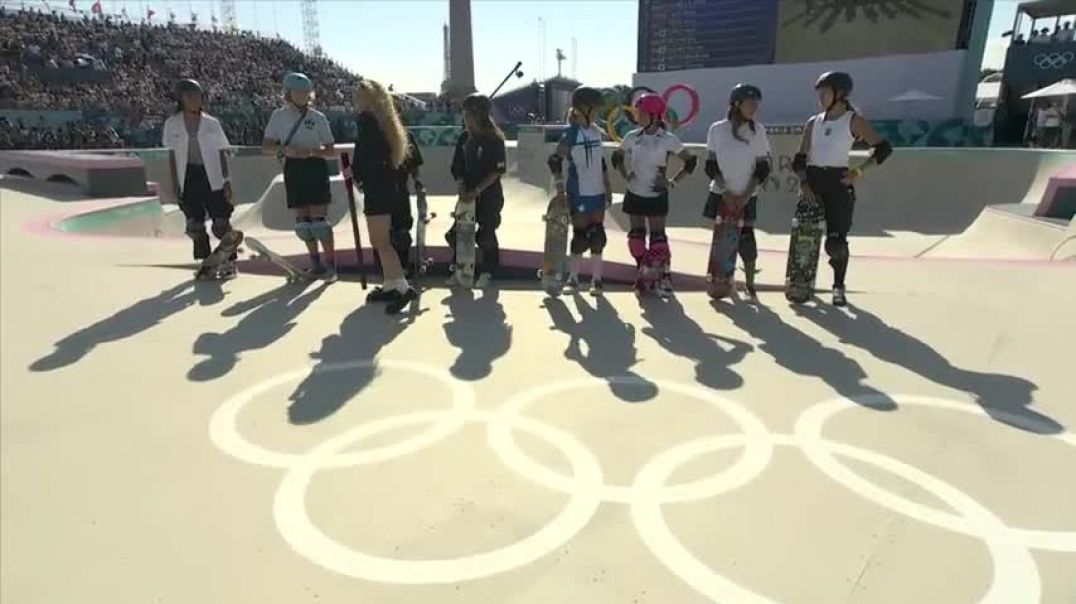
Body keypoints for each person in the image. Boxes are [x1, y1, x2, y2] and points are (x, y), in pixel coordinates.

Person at [793, 71, 893, 306]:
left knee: (836, 244)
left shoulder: (853, 120)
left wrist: (858, 171)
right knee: (804, 238)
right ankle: (801, 282)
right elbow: (799, 159)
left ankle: (838, 286)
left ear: (839, 94)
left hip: (838, 184)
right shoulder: (813, 122)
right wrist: (804, 182)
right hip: (813, 182)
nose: (820, 97)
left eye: (824, 92)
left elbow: (883, 149)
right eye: (819, 93)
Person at [611, 92, 697, 295]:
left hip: (657, 194)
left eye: (641, 112)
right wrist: (626, 175)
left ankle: (665, 276)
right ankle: (643, 272)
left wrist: (673, 182)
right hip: (634, 193)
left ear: (654, 114)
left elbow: (691, 161)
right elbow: (617, 157)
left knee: (658, 238)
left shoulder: (668, 139)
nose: (637, 116)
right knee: (636, 239)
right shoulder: (632, 137)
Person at [349, 77, 417, 312]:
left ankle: (401, 286)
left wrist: (355, 174)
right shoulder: (388, 123)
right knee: (384, 241)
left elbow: (366, 158)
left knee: (380, 242)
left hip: (378, 190)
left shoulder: (367, 122)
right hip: (393, 189)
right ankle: (391, 284)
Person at [262, 72, 337, 279]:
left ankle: (331, 266)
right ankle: (316, 264)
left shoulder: (317, 117)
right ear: (288, 93)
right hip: (293, 168)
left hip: (315, 167)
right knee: (303, 224)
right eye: (298, 91)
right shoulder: (279, 116)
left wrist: (312, 152)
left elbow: (330, 150)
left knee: (320, 223)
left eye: (306, 92)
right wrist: (285, 150)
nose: (303, 95)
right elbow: (266, 147)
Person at [703, 83, 772, 298]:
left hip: (747, 194)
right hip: (721, 193)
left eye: (756, 104)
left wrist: (745, 195)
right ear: (736, 104)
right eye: (750, 103)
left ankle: (750, 284)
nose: (754, 108)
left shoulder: (757, 131)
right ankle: (721, 281)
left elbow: (763, 168)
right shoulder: (717, 129)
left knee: (746, 240)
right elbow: (711, 165)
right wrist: (725, 191)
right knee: (723, 238)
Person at [161, 79, 237, 272]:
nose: (195, 100)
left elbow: (222, 152)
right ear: (181, 99)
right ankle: (205, 262)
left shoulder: (212, 123)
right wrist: (174, 182)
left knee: (221, 223)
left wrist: (227, 181)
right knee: (195, 223)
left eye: (198, 96)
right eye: (190, 97)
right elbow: (170, 154)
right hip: (187, 175)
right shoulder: (172, 124)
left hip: (212, 175)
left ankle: (229, 261)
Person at [548, 86, 612, 294]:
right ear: (584, 107)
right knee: (580, 238)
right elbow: (555, 161)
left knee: (598, 238)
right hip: (579, 192)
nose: (598, 113)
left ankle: (597, 280)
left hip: (597, 192)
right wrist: (560, 191)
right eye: (595, 109)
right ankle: (573, 278)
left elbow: (601, 162)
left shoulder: (595, 131)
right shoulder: (571, 133)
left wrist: (608, 187)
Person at [446, 93, 508, 288]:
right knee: (458, 233)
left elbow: (497, 171)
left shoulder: (495, 139)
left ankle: (488, 272)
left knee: (486, 233)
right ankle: (461, 269)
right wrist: (462, 187)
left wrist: (478, 189)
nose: (465, 119)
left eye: (467, 115)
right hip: (467, 193)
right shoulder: (464, 138)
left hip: (489, 194)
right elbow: (457, 166)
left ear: (478, 115)